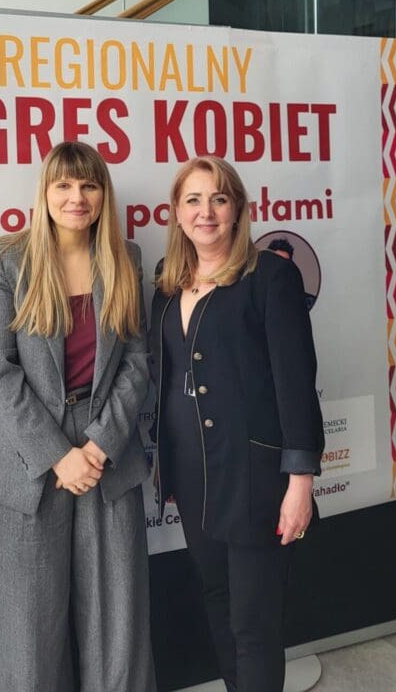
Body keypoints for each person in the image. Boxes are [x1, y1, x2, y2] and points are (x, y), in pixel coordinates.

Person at [0, 141, 156, 692]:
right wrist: (56, 455)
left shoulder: (125, 258)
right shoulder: (9, 261)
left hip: (104, 453)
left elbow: (137, 360)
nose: (77, 197)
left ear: (103, 194)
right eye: (64, 185)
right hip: (28, 458)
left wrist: (98, 445)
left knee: (117, 620)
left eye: (89, 185)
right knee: (29, 623)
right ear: (45, 192)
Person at [150, 157, 324, 692]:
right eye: (194, 200)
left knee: (253, 622)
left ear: (238, 210)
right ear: (177, 212)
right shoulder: (165, 284)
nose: (206, 212)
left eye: (219, 199)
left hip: (255, 477)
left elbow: (296, 383)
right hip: (191, 476)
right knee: (218, 599)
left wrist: (300, 482)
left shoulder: (270, 276)